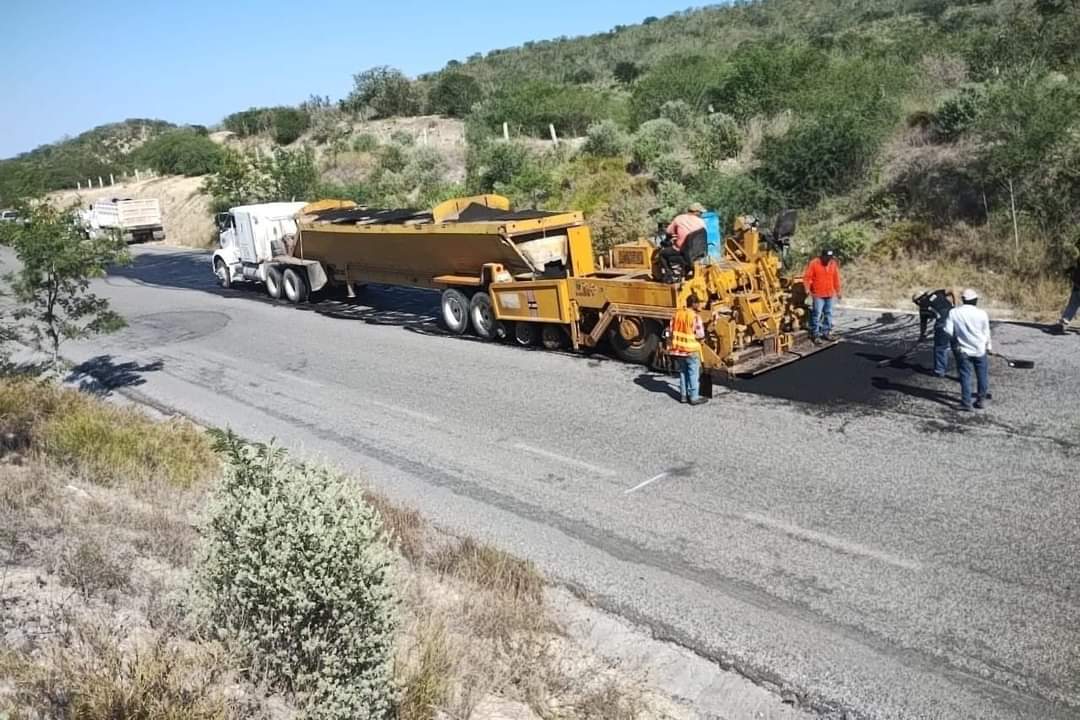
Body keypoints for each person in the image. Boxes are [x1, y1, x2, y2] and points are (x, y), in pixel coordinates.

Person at [944, 288, 992, 411]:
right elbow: (986, 332)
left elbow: (948, 331)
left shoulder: (954, 312)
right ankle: (981, 400)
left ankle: (966, 403)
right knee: (982, 375)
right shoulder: (982, 313)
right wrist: (989, 347)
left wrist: (955, 344)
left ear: (963, 300)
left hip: (963, 350)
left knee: (965, 376)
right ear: (975, 300)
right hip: (980, 349)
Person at [667, 294, 709, 406]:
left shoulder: (677, 315)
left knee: (683, 372)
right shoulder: (695, 317)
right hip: (691, 349)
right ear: (694, 304)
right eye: (698, 303)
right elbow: (700, 334)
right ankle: (694, 397)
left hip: (678, 349)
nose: (700, 305)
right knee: (693, 373)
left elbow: (671, 331)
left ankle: (683, 396)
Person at [912, 288, 957, 376]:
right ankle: (964, 370)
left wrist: (922, 336)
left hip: (943, 324)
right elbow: (952, 290)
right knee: (957, 346)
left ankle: (939, 371)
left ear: (919, 300)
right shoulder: (937, 294)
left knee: (940, 347)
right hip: (956, 319)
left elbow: (923, 324)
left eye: (916, 302)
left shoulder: (923, 308)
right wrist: (955, 305)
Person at [658, 203, 707, 281]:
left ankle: (670, 274)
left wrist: (675, 234)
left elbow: (668, 231)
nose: (701, 214)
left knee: (662, 254)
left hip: (683, 251)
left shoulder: (679, 219)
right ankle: (683, 272)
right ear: (696, 212)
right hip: (698, 252)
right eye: (700, 212)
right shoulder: (701, 222)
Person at [803, 249, 842, 343]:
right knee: (817, 313)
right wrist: (807, 289)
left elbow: (836, 278)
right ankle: (815, 334)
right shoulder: (814, 263)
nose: (828, 260)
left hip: (829, 293)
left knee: (829, 313)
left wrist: (838, 291)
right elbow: (807, 277)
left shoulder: (833, 264)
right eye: (827, 258)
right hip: (818, 294)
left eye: (830, 258)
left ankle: (826, 332)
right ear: (822, 256)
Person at [1052, 260, 1080, 334]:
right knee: (1073, 304)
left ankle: (1063, 323)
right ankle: (1063, 323)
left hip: (1077, 285)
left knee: (1072, 305)